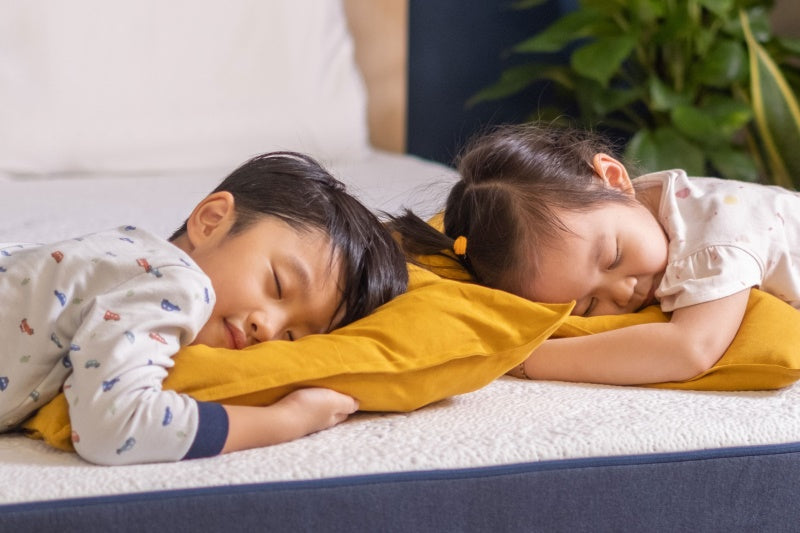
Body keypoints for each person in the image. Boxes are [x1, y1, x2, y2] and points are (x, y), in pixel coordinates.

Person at [1, 151, 408, 465]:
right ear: (211, 221)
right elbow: (113, 426)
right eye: (277, 284)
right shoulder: (181, 284)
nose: (267, 328)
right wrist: (287, 421)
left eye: (293, 336)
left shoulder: (125, 259)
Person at [390, 123, 800, 386]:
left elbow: (690, 349)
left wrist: (529, 359)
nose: (622, 294)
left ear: (617, 179)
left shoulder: (715, 238)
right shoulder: (626, 211)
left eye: (613, 257)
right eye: (588, 306)